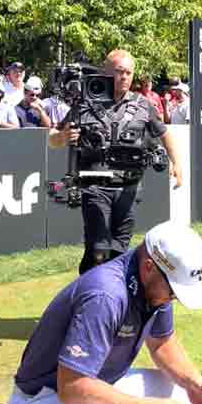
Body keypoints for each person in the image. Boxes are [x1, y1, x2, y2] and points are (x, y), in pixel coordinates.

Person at [2, 222, 202, 404]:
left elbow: (162, 342)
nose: (173, 298)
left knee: (185, 396)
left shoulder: (154, 286)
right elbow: (72, 388)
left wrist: (194, 382)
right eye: (173, 289)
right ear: (149, 266)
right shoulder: (106, 295)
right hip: (37, 403)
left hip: (90, 389)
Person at [49, 49, 183, 274]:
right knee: (99, 248)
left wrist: (176, 162)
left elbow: (163, 132)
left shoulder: (142, 104)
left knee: (119, 250)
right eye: (119, 71)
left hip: (129, 187)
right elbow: (53, 139)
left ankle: (106, 294)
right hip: (95, 184)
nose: (124, 77)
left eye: (129, 72)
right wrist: (62, 137)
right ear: (106, 72)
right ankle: (91, 296)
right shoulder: (85, 103)